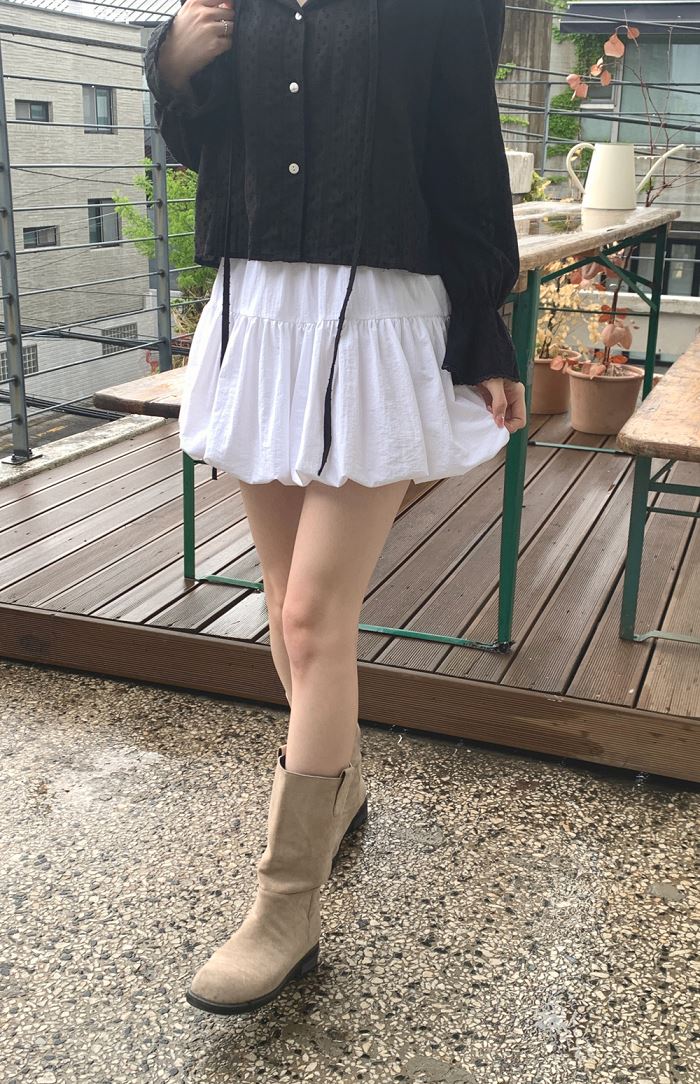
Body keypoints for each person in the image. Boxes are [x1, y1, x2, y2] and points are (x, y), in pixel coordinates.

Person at [144, 0, 526, 1015]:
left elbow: (464, 146)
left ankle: (285, 907)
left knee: (317, 615)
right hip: (258, 312)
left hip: (381, 314)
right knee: (284, 607)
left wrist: (482, 326)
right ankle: (339, 782)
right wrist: (173, 65)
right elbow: (202, 147)